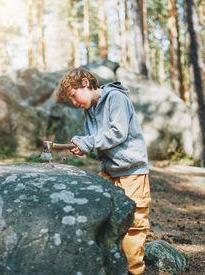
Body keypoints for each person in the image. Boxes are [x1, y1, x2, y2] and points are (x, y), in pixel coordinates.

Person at [56, 67, 151, 275]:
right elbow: (96, 141)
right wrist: (83, 143)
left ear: (85, 83)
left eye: (73, 96)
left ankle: (134, 272)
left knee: (134, 225)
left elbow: (118, 133)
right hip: (109, 171)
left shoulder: (116, 99)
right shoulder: (89, 109)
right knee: (104, 218)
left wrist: (89, 142)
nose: (74, 102)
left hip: (132, 171)